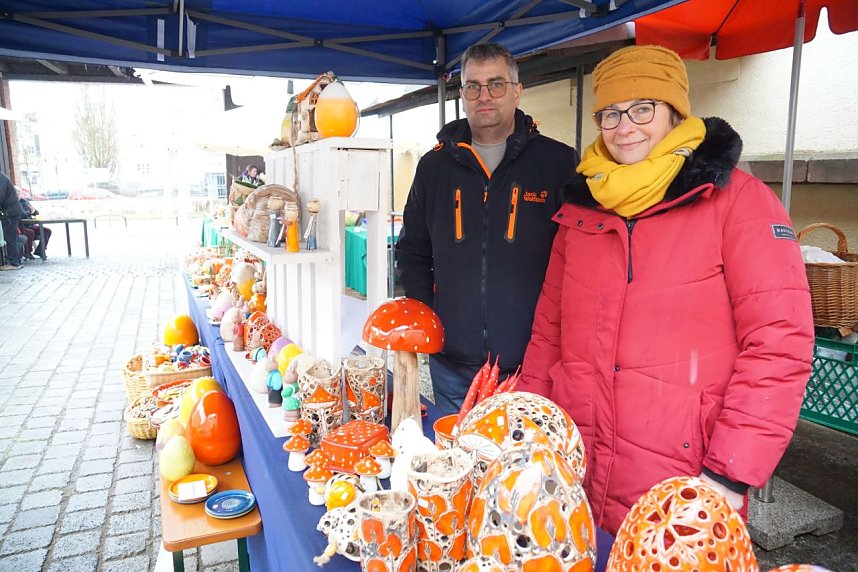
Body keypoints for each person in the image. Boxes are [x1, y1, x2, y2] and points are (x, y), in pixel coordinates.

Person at [519, 45, 814, 534]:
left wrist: (729, 472)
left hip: (688, 482)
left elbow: (779, 345)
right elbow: (547, 333)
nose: (625, 126)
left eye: (643, 108)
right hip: (579, 467)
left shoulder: (738, 201)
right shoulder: (581, 211)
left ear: (675, 113)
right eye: (610, 113)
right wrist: (528, 433)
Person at [395, 42, 579, 413]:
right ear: (461, 94)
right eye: (473, 86)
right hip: (451, 366)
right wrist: (433, 321)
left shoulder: (556, 162)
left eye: (496, 84)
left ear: (516, 90)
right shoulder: (435, 167)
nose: (484, 96)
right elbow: (412, 251)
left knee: (519, 468)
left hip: (531, 365)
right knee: (454, 464)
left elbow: (577, 258)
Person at [0, 170, 24, 270]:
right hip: (12, 210)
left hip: (10, 211)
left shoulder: (1, 179)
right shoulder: (2, 177)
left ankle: (14, 263)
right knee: (12, 236)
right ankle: (16, 261)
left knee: (10, 237)